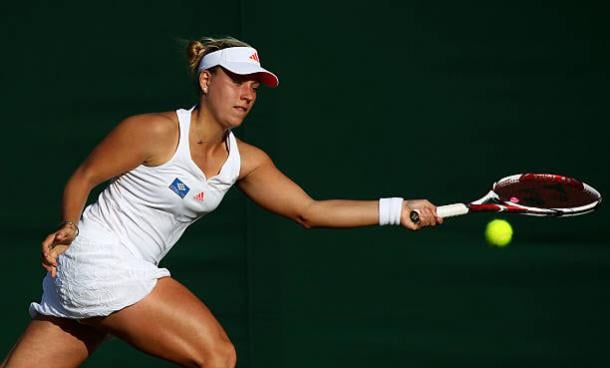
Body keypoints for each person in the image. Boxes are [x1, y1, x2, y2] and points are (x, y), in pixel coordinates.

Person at [1, 36, 442, 368]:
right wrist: (70, 224)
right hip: (98, 257)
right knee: (218, 356)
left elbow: (310, 211)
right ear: (206, 79)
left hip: (96, 277)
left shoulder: (245, 162)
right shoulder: (153, 131)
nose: (248, 93)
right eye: (237, 80)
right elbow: (84, 177)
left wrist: (396, 209)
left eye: (255, 85)